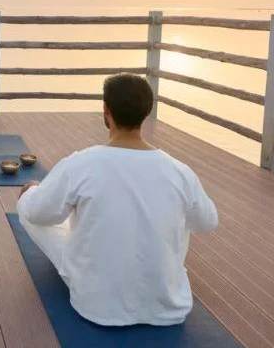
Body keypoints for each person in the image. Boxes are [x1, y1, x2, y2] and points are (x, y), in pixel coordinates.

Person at [16, 73, 219, 326]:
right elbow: (208, 223)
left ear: (106, 110)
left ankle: (33, 192)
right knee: (183, 215)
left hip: (97, 305)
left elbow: (39, 214)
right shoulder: (179, 172)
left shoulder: (80, 164)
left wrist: (33, 190)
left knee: (29, 206)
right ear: (146, 111)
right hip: (169, 307)